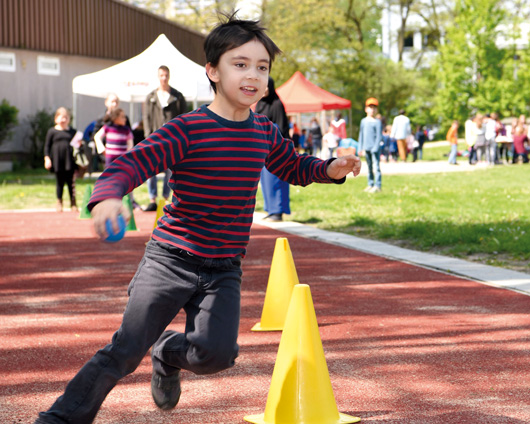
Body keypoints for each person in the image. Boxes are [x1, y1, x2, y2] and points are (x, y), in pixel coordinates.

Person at [34, 13, 361, 424]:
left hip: (224, 267)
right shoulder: (187, 129)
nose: (253, 75)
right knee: (125, 349)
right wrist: (106, 198)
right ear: (213, 71)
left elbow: (292, 165)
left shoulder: (262, 131)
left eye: (262, 67)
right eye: (239, 64)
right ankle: (59, 418)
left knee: (216, 355)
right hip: (170, 259)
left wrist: (327, 168)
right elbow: (129, 166)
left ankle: (167, 351)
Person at [142, 65, 187, 212]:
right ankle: (152, 199)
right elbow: (146, 117)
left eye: (166, 75)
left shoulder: (177, 96)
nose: (164, 78)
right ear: (158, 76)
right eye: (161, 75)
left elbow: (184, 117)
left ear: (169, 76)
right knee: (151, 169)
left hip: (172, 139)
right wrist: (148, 136)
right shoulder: (151, 97)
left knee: (170, 169)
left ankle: (166, 198)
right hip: (155, 138)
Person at [256, 76, 290, 222]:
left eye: (266, 86)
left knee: (277, 180)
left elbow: (282, 127)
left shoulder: (277, 104)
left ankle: (278, 211)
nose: (263, 90)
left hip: (276, 150)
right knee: (266, 181)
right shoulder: (259, 104)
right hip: (263, 150)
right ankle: (270, 209)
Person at [44, 107, 78, 213]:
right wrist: (47, 159)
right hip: (58, 160)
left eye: (66, 118)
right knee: (60, 182)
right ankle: (59, 202)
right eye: (61, 117)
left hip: (70, 160)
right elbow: (47, 146)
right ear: (56, 119)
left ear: (69, 119)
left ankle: (73, 203)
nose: (63, 120)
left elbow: (77, 146)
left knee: (70, 182)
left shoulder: (73, 132)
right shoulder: (52, 131)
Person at [358, 97, 382, 193]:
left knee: (376, 167)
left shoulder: (377, 122)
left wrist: (375, 148)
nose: (372, 110)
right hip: (366, 148)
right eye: (370, 107)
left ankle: (378, 185)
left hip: (374, 149)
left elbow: (379, 137)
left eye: (374, 108)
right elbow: (361, 135)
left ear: (376, 110)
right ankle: (370, 184)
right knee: (369, 167)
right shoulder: (363, 121)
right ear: (366, 109)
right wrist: (360, 148)